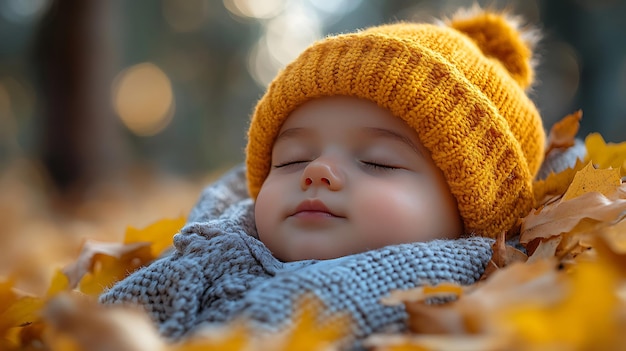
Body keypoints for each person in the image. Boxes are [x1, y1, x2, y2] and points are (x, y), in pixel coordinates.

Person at [100, 6, 550, 348]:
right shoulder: (211, 241)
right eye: (293, 159)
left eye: (378, 161)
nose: (318, 171)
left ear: (468, 213)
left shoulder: (438, 284)